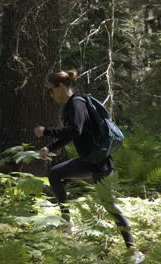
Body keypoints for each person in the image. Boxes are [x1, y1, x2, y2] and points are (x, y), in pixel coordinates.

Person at [33, 70, 134, 249]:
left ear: (62, 86)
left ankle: (132, 249)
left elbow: (75, 130)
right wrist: (50, 147)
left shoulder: (77, 103)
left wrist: (46, 131)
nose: (50, 94)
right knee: (55, 173)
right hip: (88, 162)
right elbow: (73, 134)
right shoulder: (73, 105)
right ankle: (66, 223)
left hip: (101, 166)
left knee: (111, 207)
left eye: (51, 90)